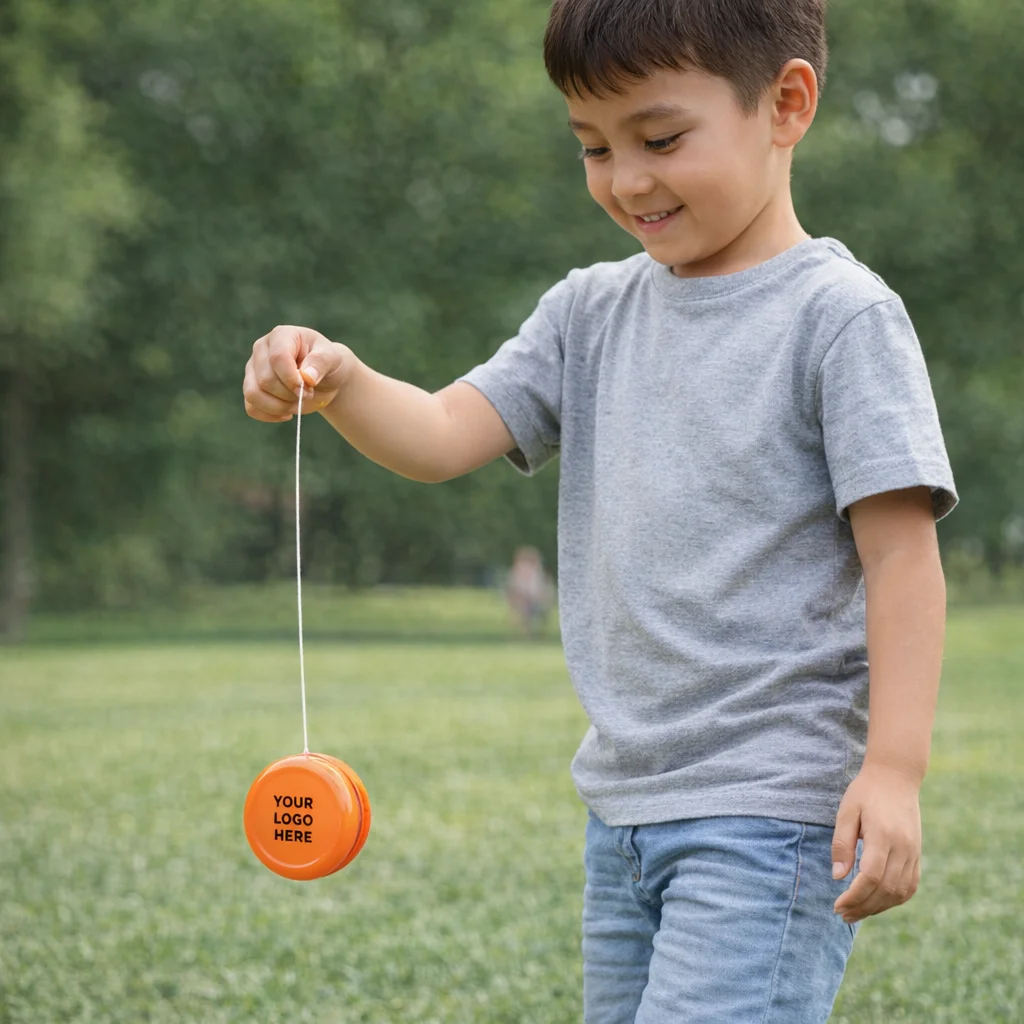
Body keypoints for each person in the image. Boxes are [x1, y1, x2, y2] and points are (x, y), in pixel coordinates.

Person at [242, 1, 958, 1019]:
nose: (625, 179)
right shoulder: (587, 312)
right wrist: (343, 380)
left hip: (770, 809)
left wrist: (891, 771)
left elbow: (901, 561)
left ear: (785, 104)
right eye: (592, 146)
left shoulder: (837, 319)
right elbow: (444, 433)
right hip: (621, 807)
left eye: (660, 139)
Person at [505, 544, 556, 636]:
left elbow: (546, 593)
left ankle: (532, 630)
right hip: (523, 602)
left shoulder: (541, 576)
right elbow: (512, 592)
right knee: (525, 606)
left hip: (537, 602)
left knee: (533, 607)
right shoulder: (515, 576)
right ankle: (526, 630)